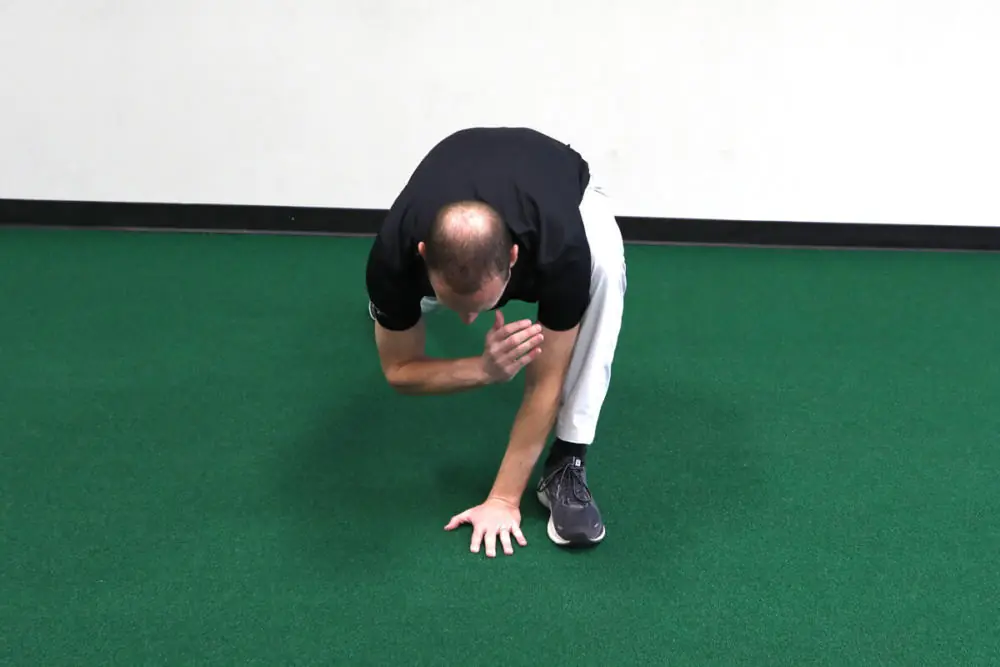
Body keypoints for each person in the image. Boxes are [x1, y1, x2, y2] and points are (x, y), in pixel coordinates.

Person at [364, 126, 626, 558]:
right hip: (450, 204)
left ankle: (567, 461)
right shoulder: (392, 255)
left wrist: (503, 499)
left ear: (514, 259)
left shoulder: (562, 249)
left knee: (605, 273)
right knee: (394, 304)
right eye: (456, 306)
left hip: (561, 188)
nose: (469, 320)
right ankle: (404, 307)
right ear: (424, 253)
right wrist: (483, 369)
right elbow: (398, 372)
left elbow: (547, 380)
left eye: (482, 306)